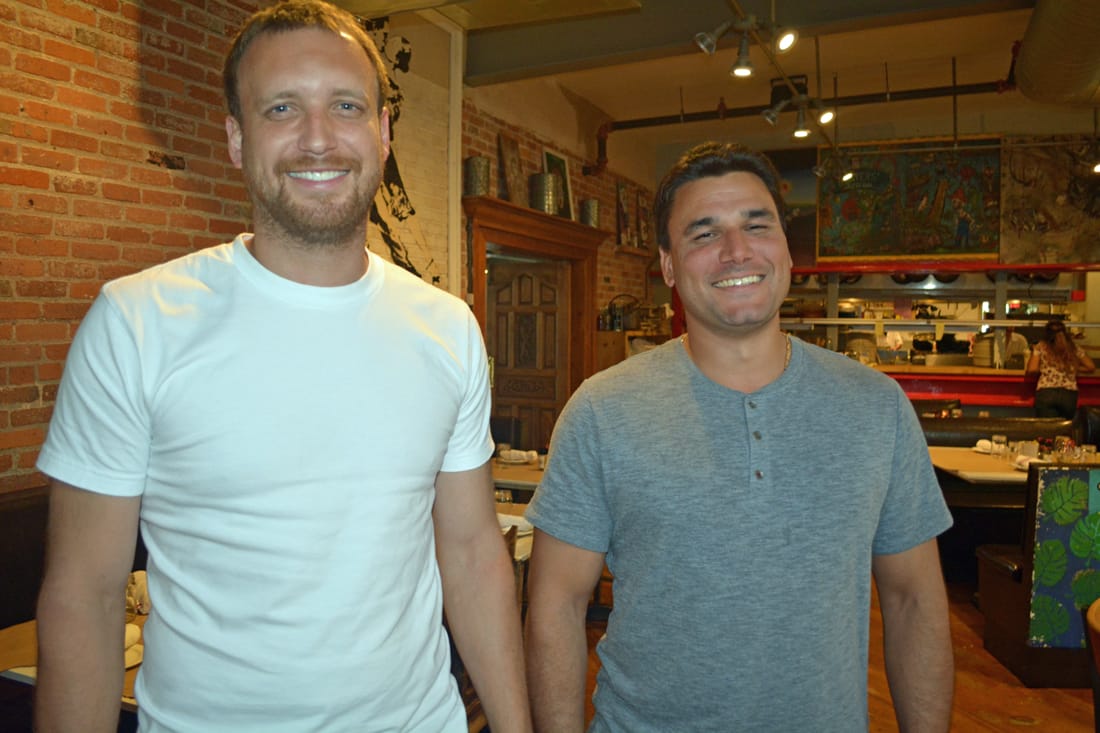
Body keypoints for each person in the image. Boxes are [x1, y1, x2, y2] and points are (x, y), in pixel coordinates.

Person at [34, 2, 531, 731]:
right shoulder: (137, 322)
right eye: (281, 108)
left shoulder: (447, 326)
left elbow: (472, 551)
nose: (318, 137)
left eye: (346, 106)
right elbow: (85, 592)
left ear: (383, 132)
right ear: (237, 138)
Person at [524, 142, 955, 732]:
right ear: (669, 266)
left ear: (786, 249)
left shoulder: (876, 408)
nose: (736, 250)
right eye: (704, 233)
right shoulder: (601, 411)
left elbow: (914, 601)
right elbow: (557, 606)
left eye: (757, 225)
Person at [1027, 319, 1096, 418]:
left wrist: (1043, 368)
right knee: (1065, 426)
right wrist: (1074, 367)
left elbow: (1032, 369)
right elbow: (1091, 367)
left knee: (1046, 427)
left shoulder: (1040, 347)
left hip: (1046, 391)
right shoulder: (1073, 347)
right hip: (1069, 394)